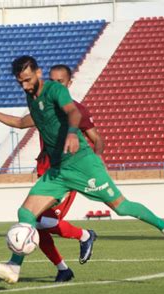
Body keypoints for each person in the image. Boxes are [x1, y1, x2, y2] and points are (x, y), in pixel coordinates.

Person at [0, 56, 164, 284]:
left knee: (122, 207)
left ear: (38, 73)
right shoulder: (31, 98)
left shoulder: (55, 90)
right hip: (57, 171)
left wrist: (73, 133)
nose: (25, 86)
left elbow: (73, 113)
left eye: (27, 80)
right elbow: (20, 123)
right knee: (25, 214)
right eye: (20, 83)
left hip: (82, 163)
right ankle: (13, 267)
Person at [33, 64, 107, 282]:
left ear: (69, 84)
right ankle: (63, 269)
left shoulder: (77, 110)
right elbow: (20, 123)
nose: (56, 86)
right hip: (45, 172)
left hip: (68, 172)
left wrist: (97, 158)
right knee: (36, 225)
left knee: (42, 222)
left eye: (61, 82)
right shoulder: (42, 105)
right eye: (52, 81)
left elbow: (97, 139)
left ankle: (85, 235)